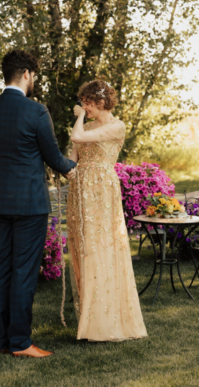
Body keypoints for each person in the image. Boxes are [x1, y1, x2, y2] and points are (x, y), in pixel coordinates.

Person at [0, 50, 77, 358]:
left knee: (3, 268)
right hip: (30, 205)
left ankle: (4, 340)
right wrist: (75, 167)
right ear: (26, 74)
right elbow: (53, 157)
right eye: (34, 76)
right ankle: (20, 342)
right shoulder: (36, 111)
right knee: (23, 272)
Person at [67, 80, 147, 342]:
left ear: (100, 102)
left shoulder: (116, 127)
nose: (83, 107)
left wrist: (78, 118)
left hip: (101, 191)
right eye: (83, 102)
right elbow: (71, 160)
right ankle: (89, 319)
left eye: (87, 102)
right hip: (80, 192)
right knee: (84, 249)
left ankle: (105, 320)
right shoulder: (86, 126)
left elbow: (77, 137)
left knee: (102, 247)